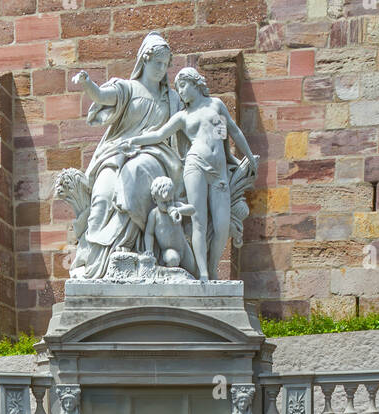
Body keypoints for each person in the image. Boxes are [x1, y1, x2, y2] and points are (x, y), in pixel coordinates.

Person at [123, 66, 258, 280]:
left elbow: (228, 133)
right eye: (178, 88)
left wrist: (247, 157)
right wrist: (134, 141)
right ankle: (204, 273)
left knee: (222, 225)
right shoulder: (183, 116)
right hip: (195, 166)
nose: (181, 91)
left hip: (219, 170)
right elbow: (159, 134)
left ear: (195, 83)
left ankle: (212, 266)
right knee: (198, 220)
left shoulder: (216, 105)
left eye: (183, 86)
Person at [68, 34, 184, 280]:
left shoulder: (172, 99)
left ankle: (128, 248)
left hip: (155, 155)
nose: (161, 70)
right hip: (117, 153)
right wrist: (87, 83)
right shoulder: (127, 88)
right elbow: (101, 96)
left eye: (165, 65)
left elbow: (188, 132)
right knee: (102, 193)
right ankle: (95, 264)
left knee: (133, 175)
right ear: (145, 59)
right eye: (157, 64)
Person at [144, 176, 198, 275]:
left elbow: (192, 209)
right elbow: (149, 233)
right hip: (169, 249)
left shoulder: (176, 206)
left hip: (184, 247)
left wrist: (179, 210)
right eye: (164, 202)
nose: (168, 204)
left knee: (193, 269)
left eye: (170, 200)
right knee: (173, 259)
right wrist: (149, 250)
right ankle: (171, 277)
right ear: (155, 200)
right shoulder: (154, 214)